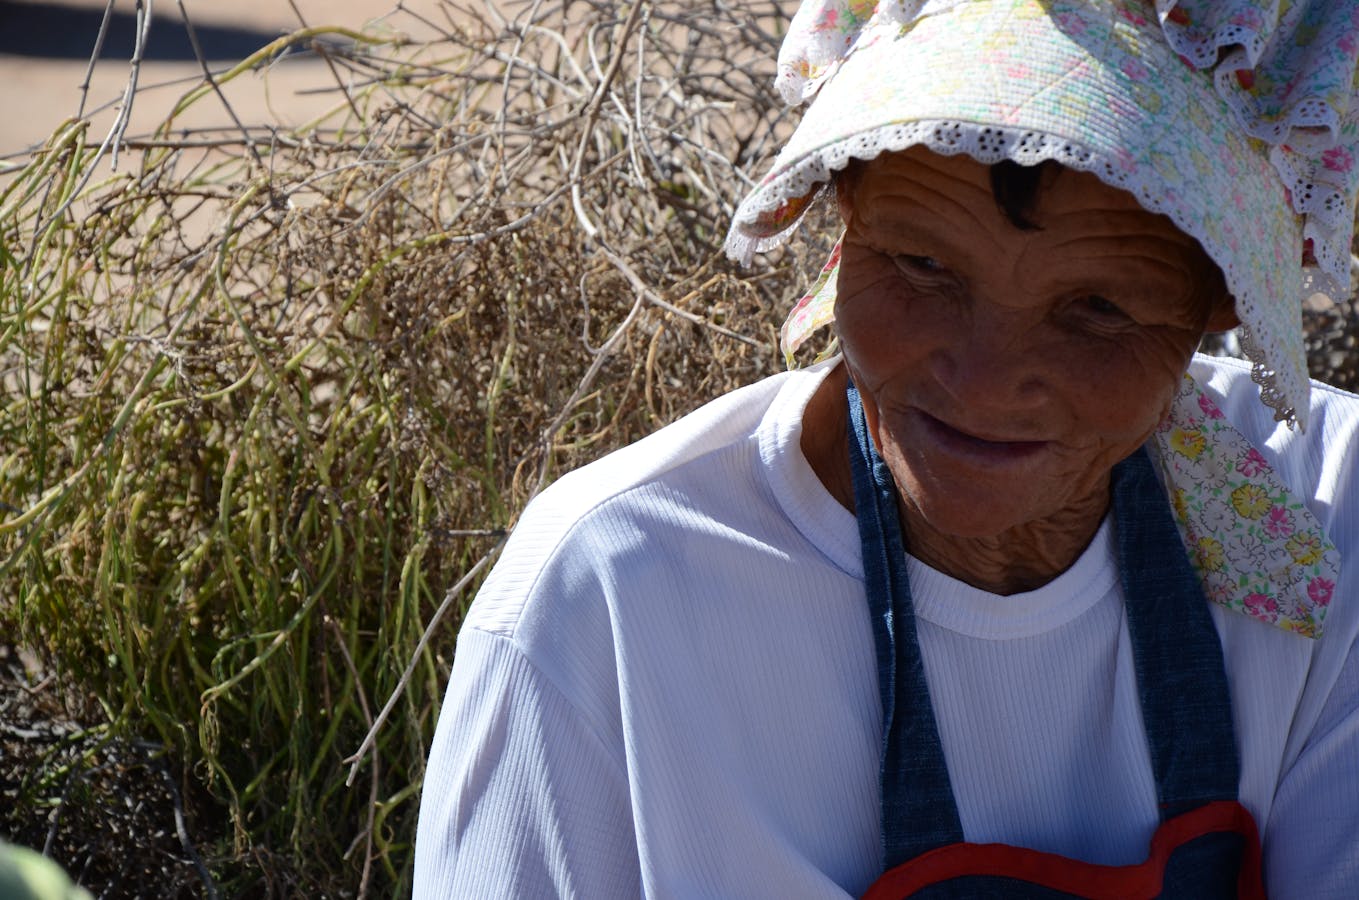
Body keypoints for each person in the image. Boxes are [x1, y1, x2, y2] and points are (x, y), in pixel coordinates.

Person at [413, 0, 1359, 896]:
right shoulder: (615, 595)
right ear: (842, 210)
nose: (985, 384)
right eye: (921, 267)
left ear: (1225, 298)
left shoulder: (1332, 516)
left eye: (1097, 310)